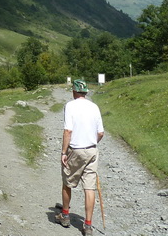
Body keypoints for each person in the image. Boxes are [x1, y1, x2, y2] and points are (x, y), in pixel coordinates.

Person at [55, 79, 104, 235]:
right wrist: (91, 142)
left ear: (74, 91)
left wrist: (63, 152)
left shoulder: (70, 106)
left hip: (75, 149)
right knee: (89, 188)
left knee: (67, 182)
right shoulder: (94, 107)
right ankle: (88, 225)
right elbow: (101, 133)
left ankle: (65, 215)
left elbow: (68, 131)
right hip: (92, 150)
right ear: (86, 92)